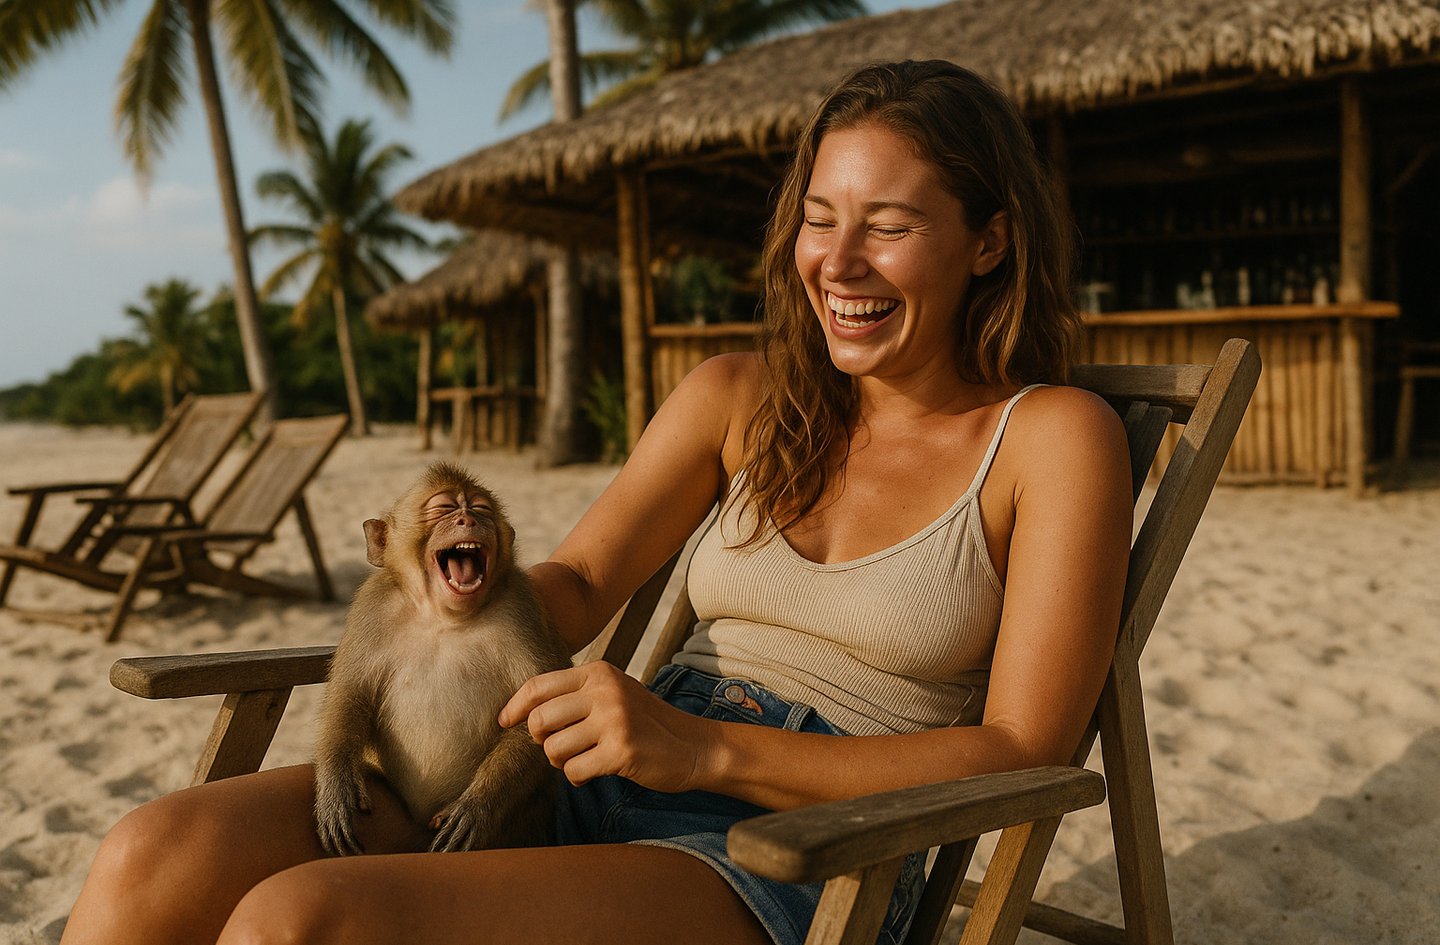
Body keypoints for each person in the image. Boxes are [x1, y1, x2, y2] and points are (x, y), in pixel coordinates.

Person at [60, 59, 1131, 945]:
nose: (837, 262)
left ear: (987, 242)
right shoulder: (737, 397)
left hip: (805, 855)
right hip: (585, 768)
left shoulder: (1050, 439)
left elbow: (1023, 750)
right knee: (153, 857)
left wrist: (703, 751)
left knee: (303, 923)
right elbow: (571, 584)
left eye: (888, 226)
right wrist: (435, 581)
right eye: (819, 219)